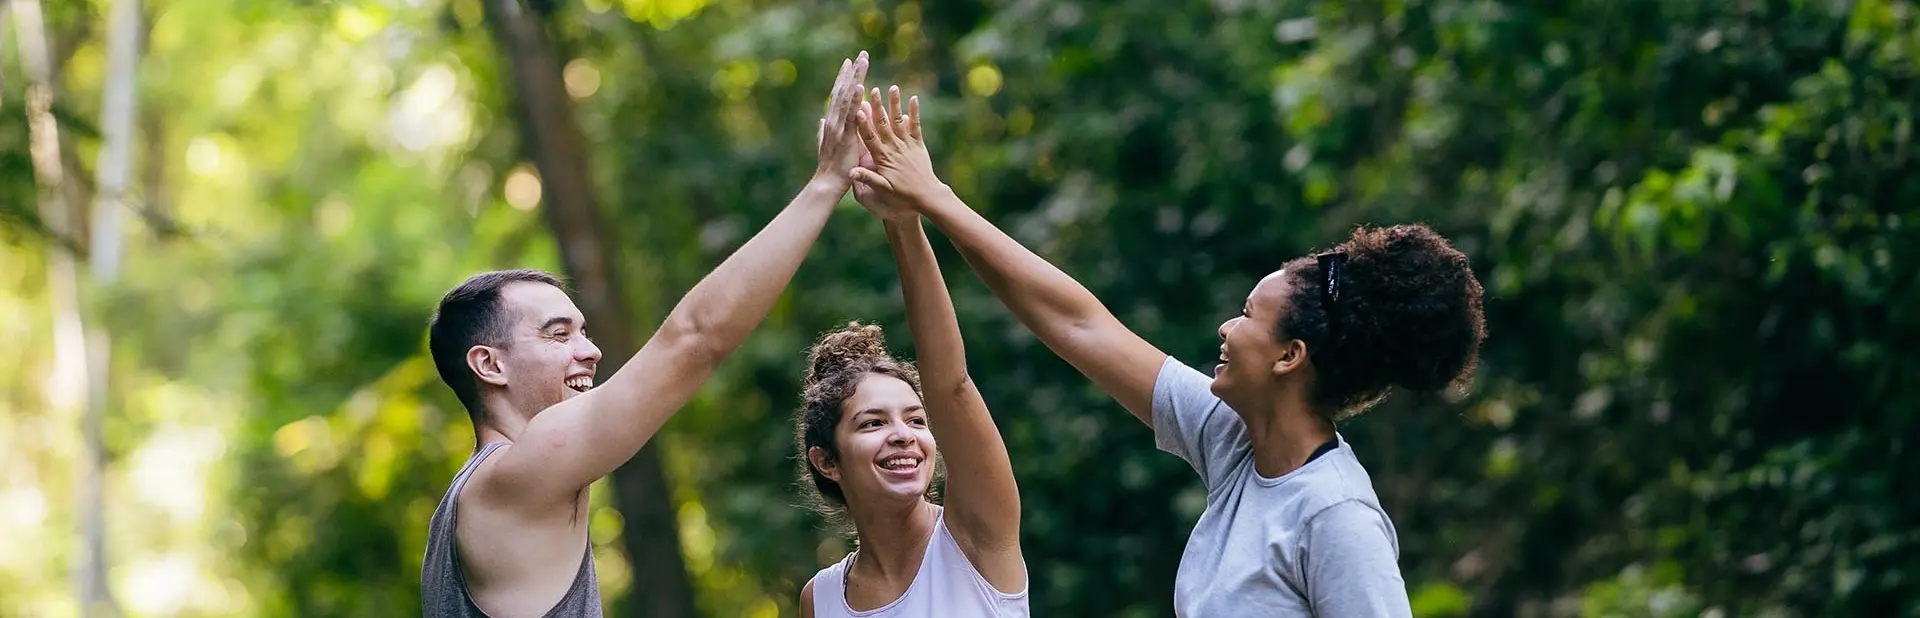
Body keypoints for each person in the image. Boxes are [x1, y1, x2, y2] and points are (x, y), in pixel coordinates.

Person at [848, 85, 1486, 617]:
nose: (1226, 329)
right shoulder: (1235, 440)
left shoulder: (1335, 515)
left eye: (1247, 317)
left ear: (1289, 357)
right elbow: (1078, 324)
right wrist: (932, 202)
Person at [417, 51, 872, 618]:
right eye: (558, 335)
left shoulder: (479, 499)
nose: (591, 350)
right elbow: (695, 339)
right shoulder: (514, 476)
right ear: (490, 365)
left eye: (583, 331)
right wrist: (826, 183)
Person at [792, 132, 1029, 617]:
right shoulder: (821, 599)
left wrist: (903, 224)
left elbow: (952, 385)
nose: (903, 436)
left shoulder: (975, 536)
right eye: (873, 423)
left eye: (917, 420)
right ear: (827, 461)